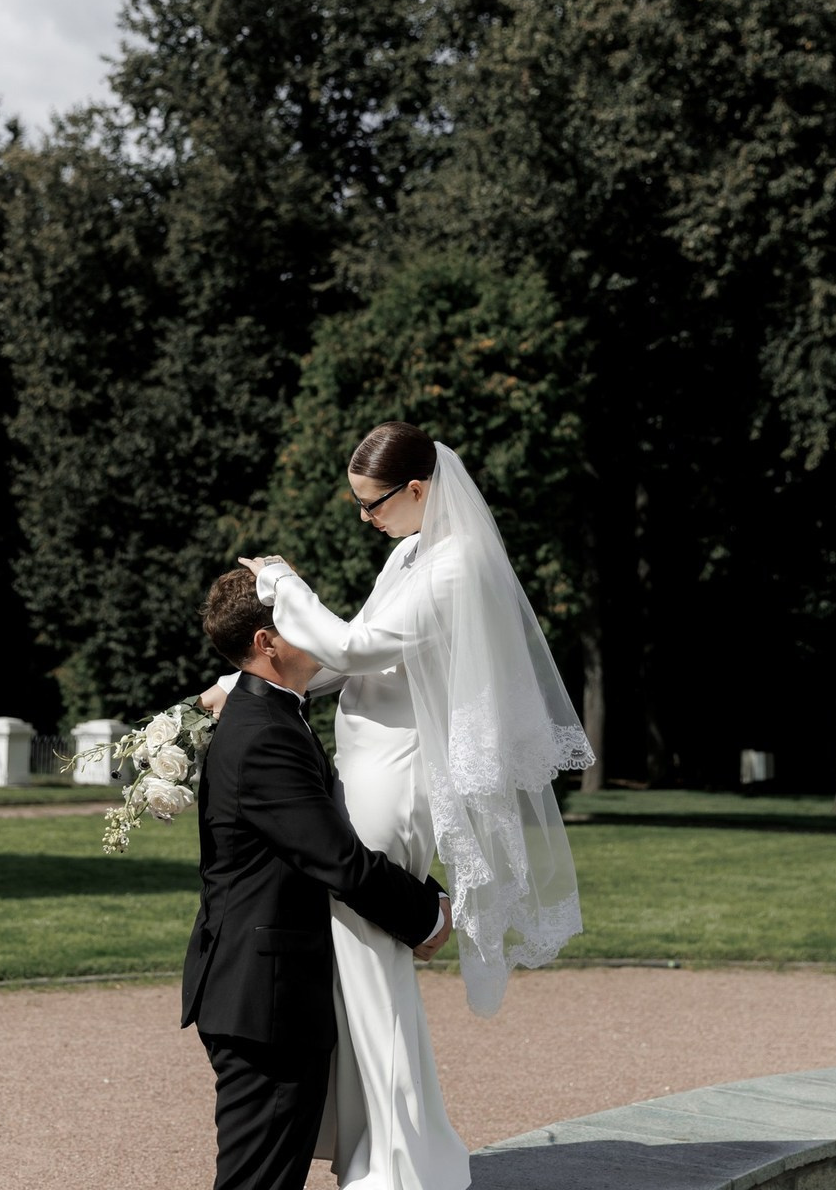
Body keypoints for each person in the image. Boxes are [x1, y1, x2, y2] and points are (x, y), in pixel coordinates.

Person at [202, 421, 594, 1190]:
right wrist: (249, 689)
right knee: (360, 969)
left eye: (372, 504)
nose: (364, 518)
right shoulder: (409, 552)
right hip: (368, 766)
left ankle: (397, 1169)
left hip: (396, 778)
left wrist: (284, 588)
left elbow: (352, 648)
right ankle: (386, 1155)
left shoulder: (459, 566)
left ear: (418, 491)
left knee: (368, 964)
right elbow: (351, 661)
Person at [184, 568, 452, 1190]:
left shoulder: (279, 715)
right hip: (263, 997)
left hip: (268, 989)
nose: (324, 626)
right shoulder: (263, 736)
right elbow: (336, 859)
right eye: (303, 617)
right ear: (268, 642)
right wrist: (427, 913)